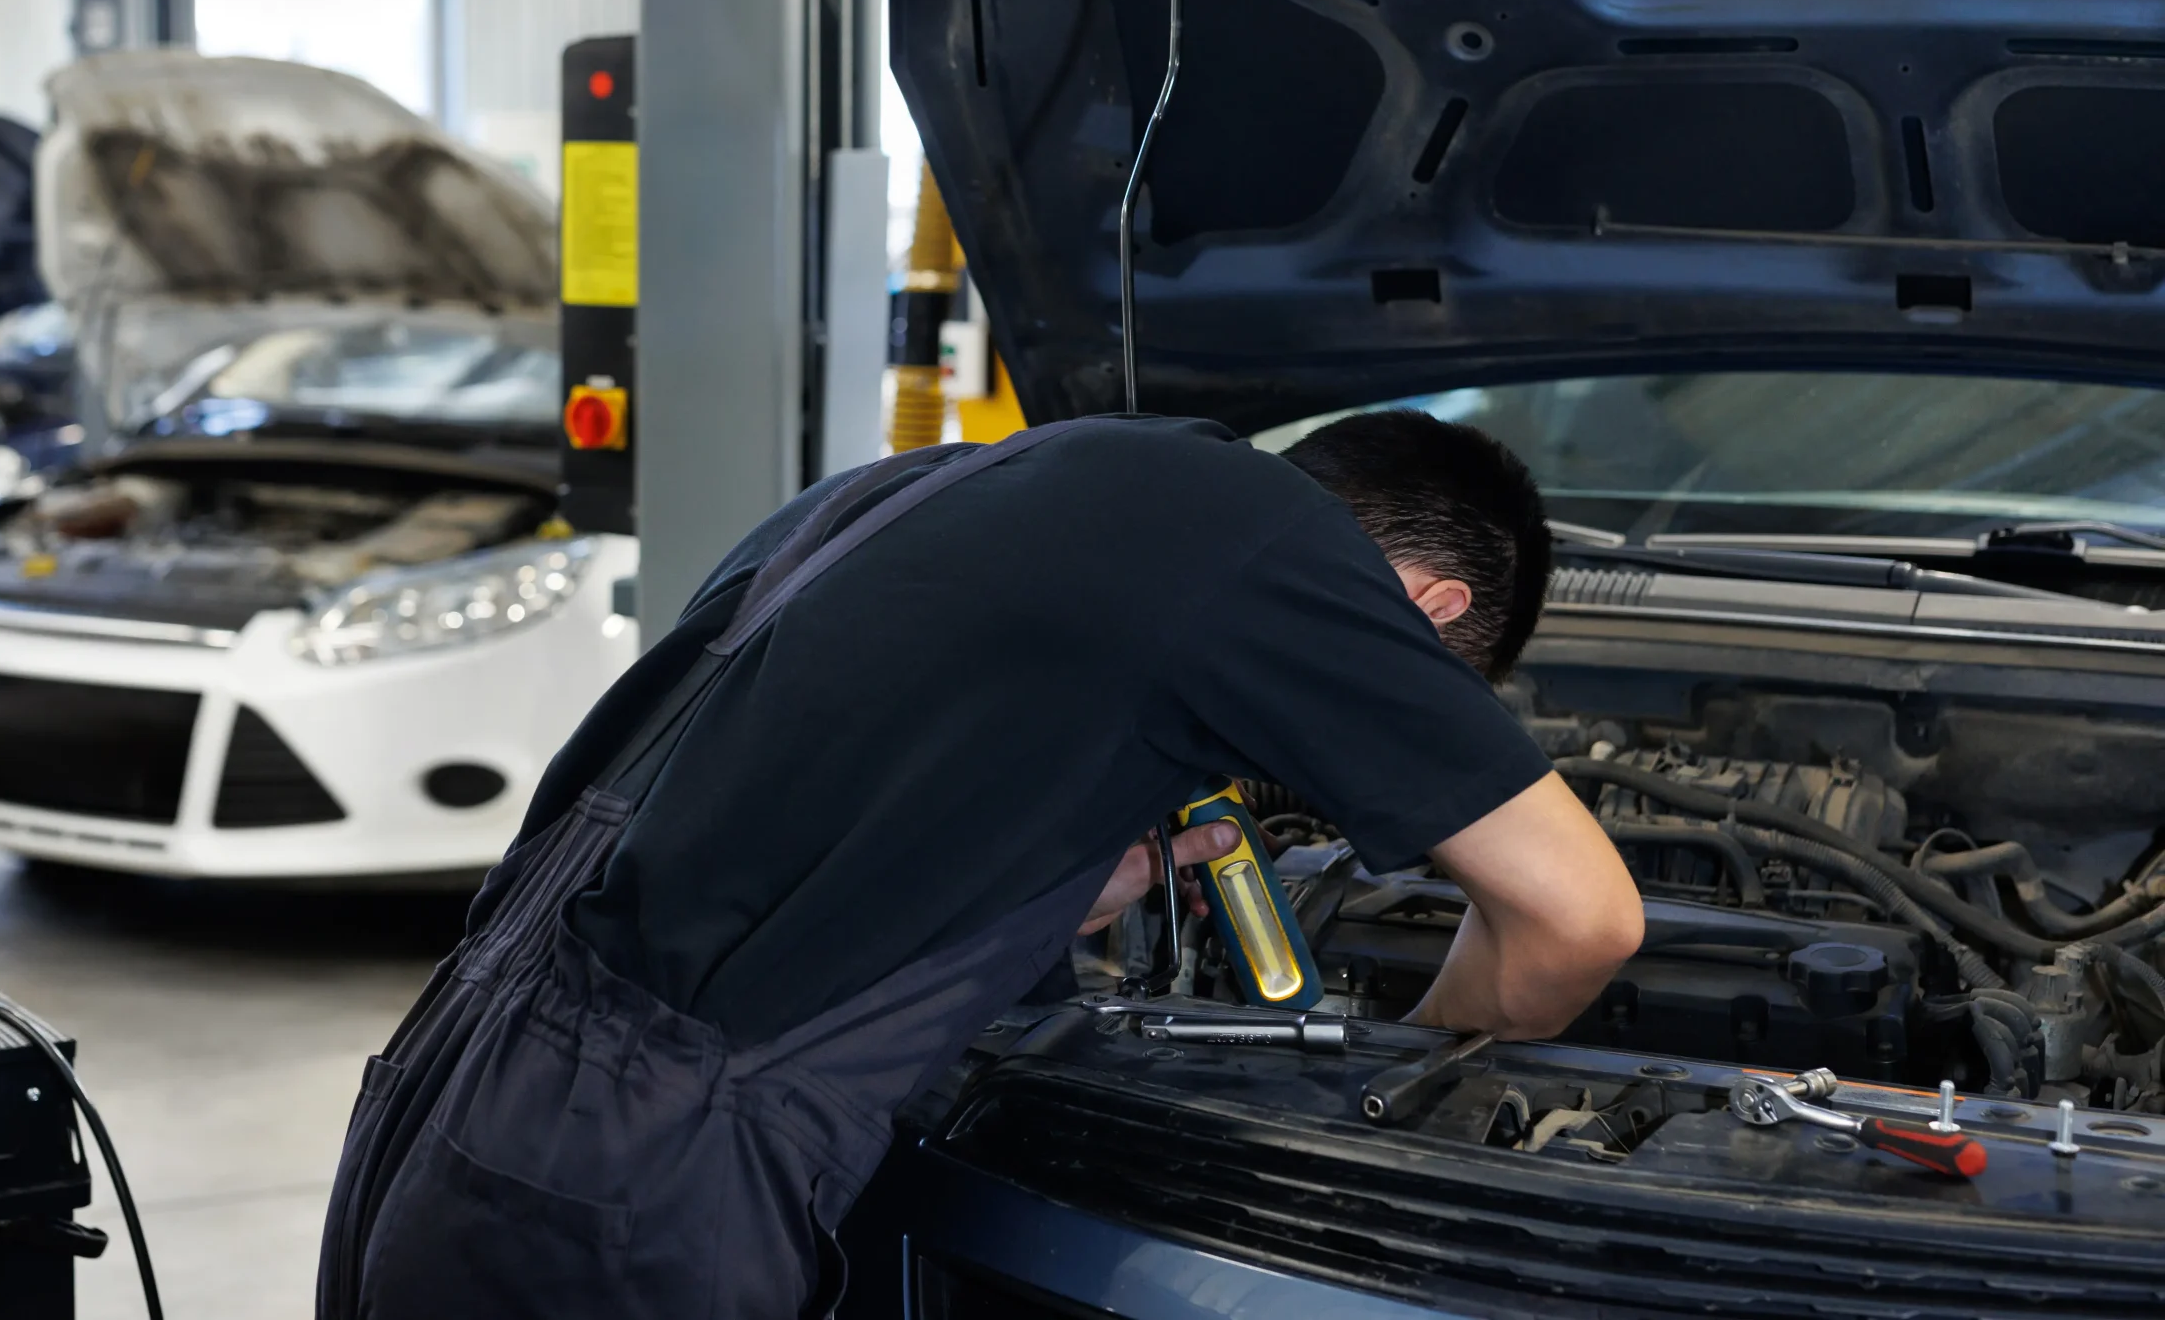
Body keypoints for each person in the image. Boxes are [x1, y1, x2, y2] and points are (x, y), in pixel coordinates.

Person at [317, 410, 1646, 1320]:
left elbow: (788, 808)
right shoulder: (1269, 544)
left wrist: (1053, 877)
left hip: (462, 1089)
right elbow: (1582, 917)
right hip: (634, 1185)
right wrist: (1394, 1086)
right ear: (1428, 614)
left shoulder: (947, 483)